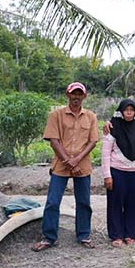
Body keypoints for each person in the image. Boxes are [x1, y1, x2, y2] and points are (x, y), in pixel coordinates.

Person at [32, 82, 99, 251]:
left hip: (82, 165)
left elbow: (92, 142)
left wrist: (77, 160)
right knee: (53, 202)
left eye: (79, 94)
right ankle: (49, 237)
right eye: (73, 93)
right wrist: (69, 161)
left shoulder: (91, 116)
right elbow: (53, 141)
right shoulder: (56, 115)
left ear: (84, 96)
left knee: (84, 202)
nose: (76, 97)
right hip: (61, 165)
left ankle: (83, 235)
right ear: (67, 95)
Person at [101, 99, 135, 247]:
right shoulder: (113, 127)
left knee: (134, 205)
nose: (129, 113)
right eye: (126, 110)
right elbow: (105, 153)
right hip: (117, 172)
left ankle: (130, 234)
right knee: (115, 204)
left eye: (131, 110)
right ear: (121, 112)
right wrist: (107, 175)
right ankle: (116, 235)